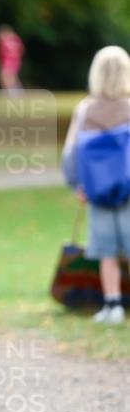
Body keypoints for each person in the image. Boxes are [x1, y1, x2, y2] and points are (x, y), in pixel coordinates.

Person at [61, 45, 130, 324]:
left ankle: (112, 305)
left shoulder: (86, 109)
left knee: (106, 252)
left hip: (98, 191)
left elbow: (71, 152)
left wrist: (76, 183)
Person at [0, 23, 25, 95]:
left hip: (11, 61)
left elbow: (18, 50)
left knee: (5, 76)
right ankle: (16, 91)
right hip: (8, 61)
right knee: (10, 77)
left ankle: (11, 92)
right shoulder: (13, 40)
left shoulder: (11, 40)